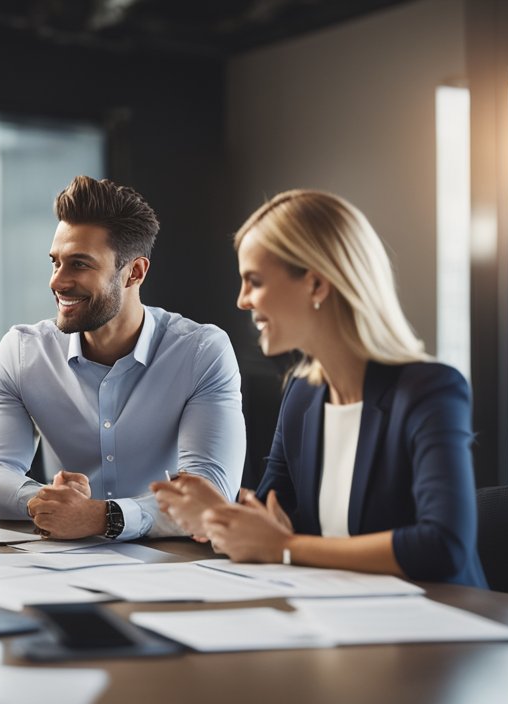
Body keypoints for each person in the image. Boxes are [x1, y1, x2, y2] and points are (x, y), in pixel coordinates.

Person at [153, 189, 487, 587]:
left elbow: (442, 547)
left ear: (315, 284)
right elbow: (273, 522)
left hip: (440, 625)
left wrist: (285, 546)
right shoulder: (302, 394)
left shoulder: (429, 391)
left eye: (254, 281)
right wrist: (218, 516)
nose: (242, 301)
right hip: (339, 616)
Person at [0, 175, 245, 540]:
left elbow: (210, 494)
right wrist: (46, 502)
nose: (58, 281)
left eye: (80, 264)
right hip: (59, 567)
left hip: (173, 568)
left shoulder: (201, 352)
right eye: (56, 262)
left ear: (134, 272)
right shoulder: (22, 352)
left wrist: (103, 517)